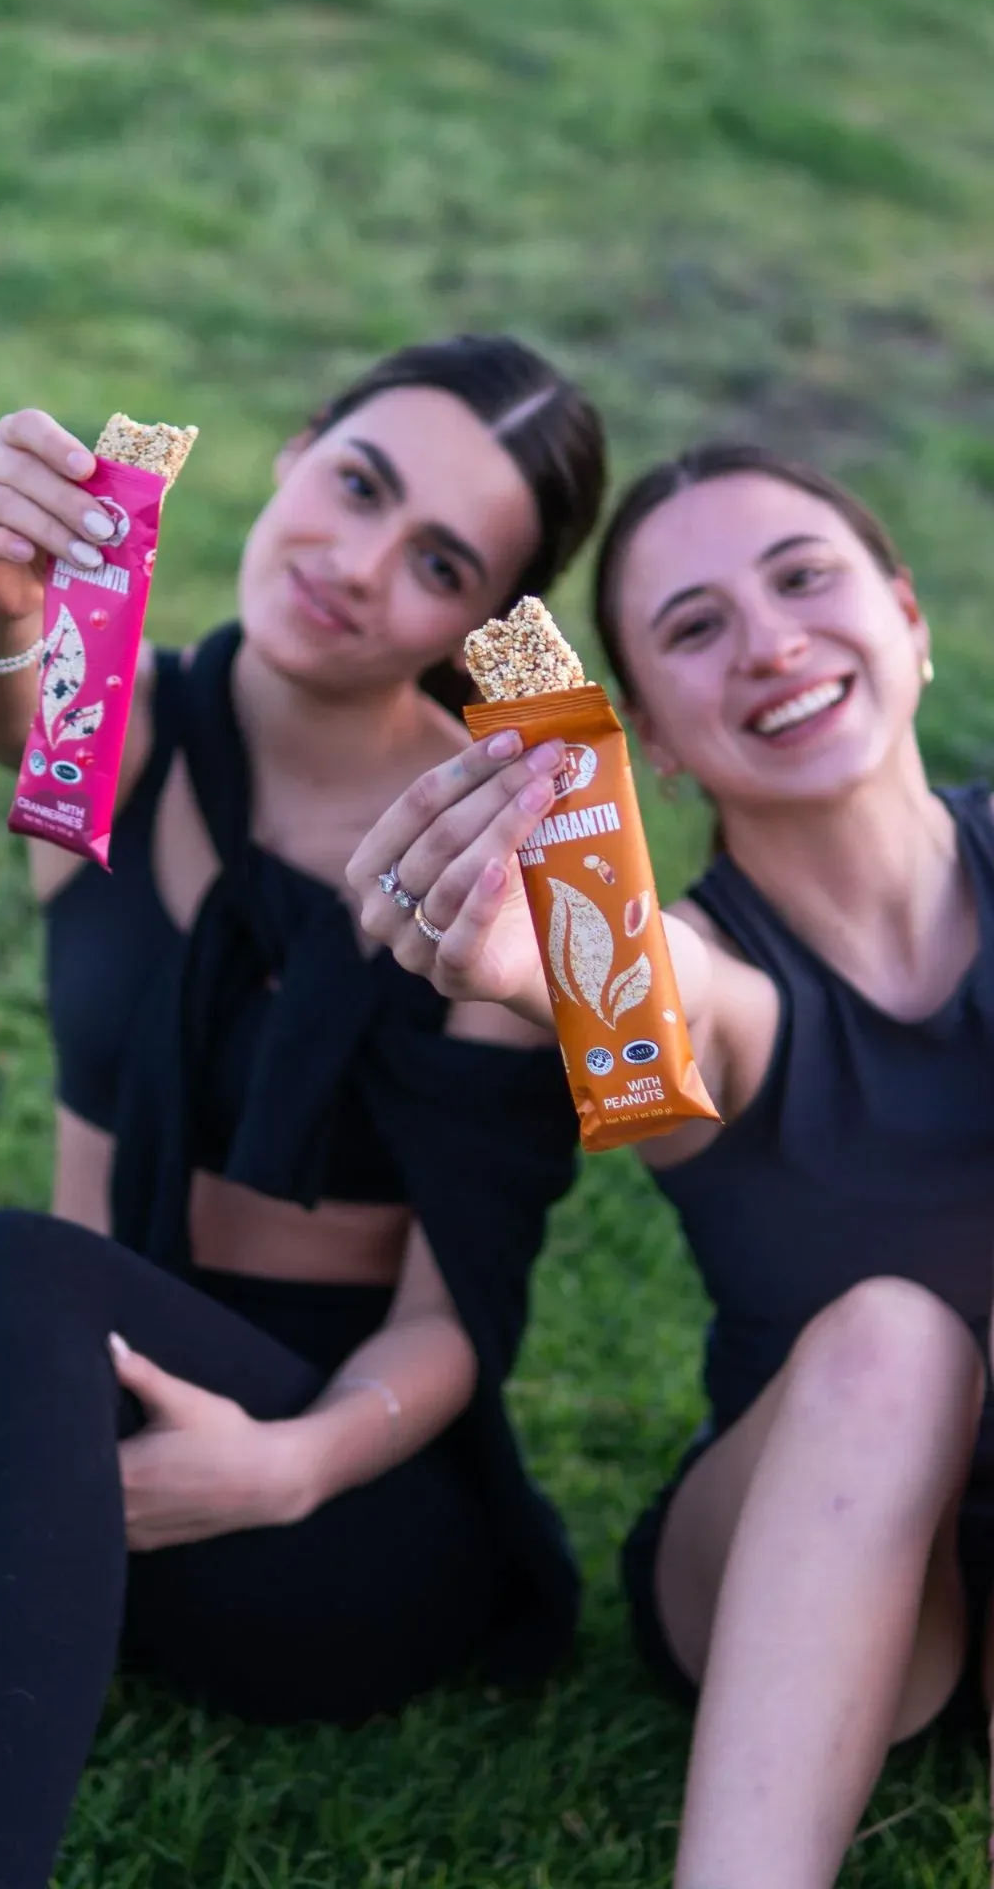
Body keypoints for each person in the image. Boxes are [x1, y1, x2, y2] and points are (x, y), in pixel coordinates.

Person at [0, 335, 606, 1889]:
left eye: (437, 559)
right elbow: (6, 703)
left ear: (481, 624)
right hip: (68, 1386)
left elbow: (459, 1314)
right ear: (297, 451)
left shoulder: (496, 854)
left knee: (21, 1267)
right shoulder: (132, 731)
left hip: (330, 1492)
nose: (361, 565)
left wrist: (282, 1466)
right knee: (17, 1284)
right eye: (357, 483)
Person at [347, 440, 994, 1888]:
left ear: (908, 618)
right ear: (654, 734)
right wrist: (548, 970)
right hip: (798, 1554)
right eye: (697, 626)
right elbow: (661, 1000)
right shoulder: (702, 968)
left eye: (806, 580)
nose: (769, 643)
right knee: (898, 1340)